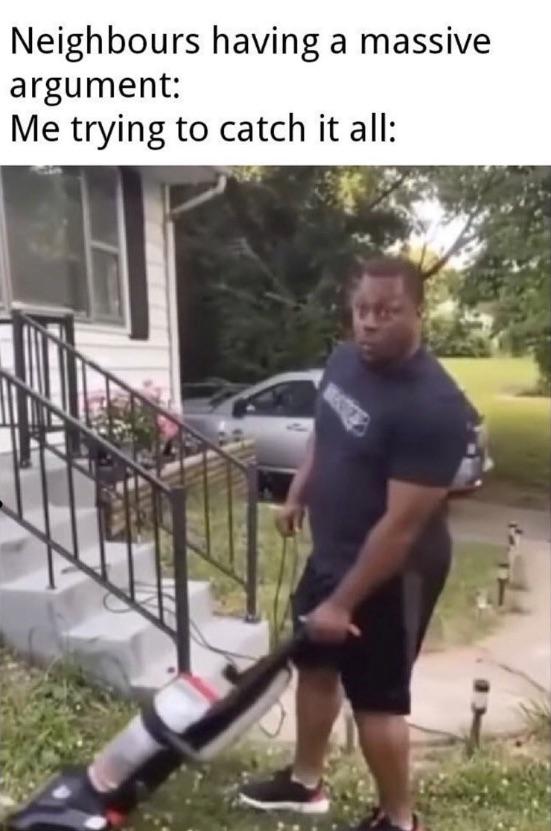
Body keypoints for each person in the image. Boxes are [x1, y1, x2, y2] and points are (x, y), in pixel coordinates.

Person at [239, 256, 473, 831]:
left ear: (418, 312)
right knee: (315, 665)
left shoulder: (435, 407)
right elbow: (326, 433)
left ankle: (398, 818)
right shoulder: (345, 360)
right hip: (333, 552)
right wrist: (298, 492)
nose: (369, 322)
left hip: (395, 572)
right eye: (362, 309)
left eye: (387, 311)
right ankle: (305, 783)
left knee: (377, 700)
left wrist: (343, 603)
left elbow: (402, 526)